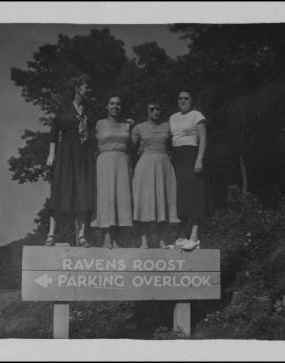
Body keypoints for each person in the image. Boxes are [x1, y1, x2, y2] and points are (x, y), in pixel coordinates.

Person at [45, 74, 96, 247]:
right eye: (86, 87)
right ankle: (51, 234)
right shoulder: (64, 106)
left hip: (84, 153)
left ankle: (82, 235)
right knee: (60, 188)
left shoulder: (90, 109)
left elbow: (99, 128)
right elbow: (54, 131)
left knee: (83, 192)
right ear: (77, 88)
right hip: (66, 151)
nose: (89, 90)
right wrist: (51, 154)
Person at [131, 98, 180, 249]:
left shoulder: (167, 126)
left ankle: (161, 240)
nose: (155, 112)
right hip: (145, 167)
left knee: (163, 202)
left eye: (158, 109)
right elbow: (129, 149)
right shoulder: (138, 128)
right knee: (144, 203)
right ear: (147, 110)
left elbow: (176, 143)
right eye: (152, 109)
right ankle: (144, 240)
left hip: (163, 166)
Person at [169, 89, 213, 250]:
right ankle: (181, 236)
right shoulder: (173, 117)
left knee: (194, 196)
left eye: (186, 98)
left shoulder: (197, 115)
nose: (182, 101)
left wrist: (199, 160)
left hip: (192, 156)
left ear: (192, 100)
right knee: (180, 196)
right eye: (180, 98)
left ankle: (194, 237)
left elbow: (203, 139)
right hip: (177, 158)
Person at [91, 95, 133, 248]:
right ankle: (106, 238)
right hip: (105, 163)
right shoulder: (99, 124)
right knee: (106, 199)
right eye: (112, 104)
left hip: (122, 163)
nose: (115, 106)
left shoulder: (127, 125)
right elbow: (91, 143)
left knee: (121, 201)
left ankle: (115, 239)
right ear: (107, 107)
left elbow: (133, 145)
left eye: (118, 104)